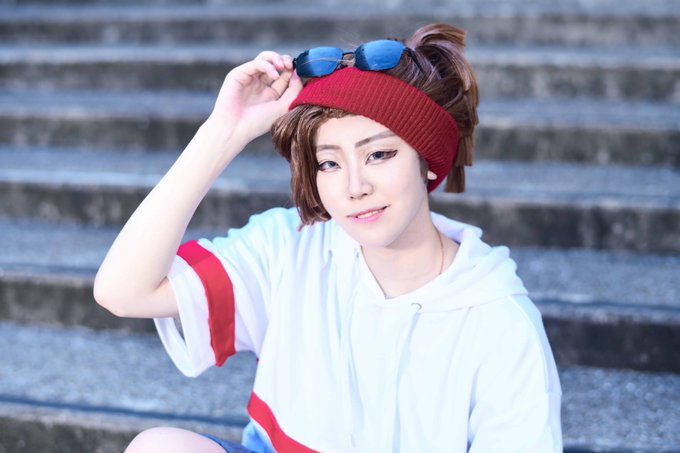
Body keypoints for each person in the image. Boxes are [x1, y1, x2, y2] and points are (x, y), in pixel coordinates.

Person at [94, 23, 562, 453]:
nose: (355, 187)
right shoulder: (291, 247)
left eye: (379, 154)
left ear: (427, 161)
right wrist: (225, 132)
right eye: (330, 163)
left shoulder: (499, 321)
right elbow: (123, 291)